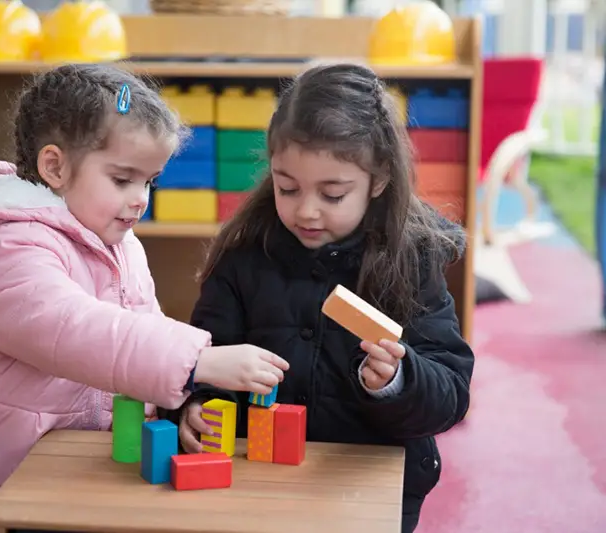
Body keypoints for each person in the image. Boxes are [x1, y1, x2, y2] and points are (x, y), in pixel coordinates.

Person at [0, 64, 289, 533]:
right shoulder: (9, 247)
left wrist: (179, 404)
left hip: (76, 469)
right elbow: (71, 329)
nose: (140, 199)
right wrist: (196, 361)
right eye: (122, 179)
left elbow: (140, 333)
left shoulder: (121, 245)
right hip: (0, 479)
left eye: (149, 181)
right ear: (55, 167)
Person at [171, 63, 475, 533]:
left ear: (377, 181)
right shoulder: (245, 256)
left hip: (371, 487)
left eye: (332, 194)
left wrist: (398, 378)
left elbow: (450, 393)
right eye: (286, 187)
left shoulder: (410, 259)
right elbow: (204, 352)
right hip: (259, 485)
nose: (306, 210)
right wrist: (195, 404)